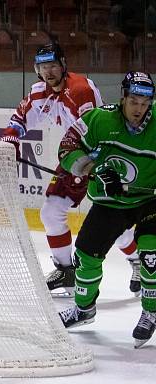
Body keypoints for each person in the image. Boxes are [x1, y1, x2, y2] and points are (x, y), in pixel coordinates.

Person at [0, 43, 138, 297]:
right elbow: (19, 119)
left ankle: (138, 262)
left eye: (52, 65)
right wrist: (11, 138)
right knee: (51, 212)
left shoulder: (80, 90)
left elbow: (97, 131)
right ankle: (66, 270)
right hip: (75, 156)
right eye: (42, 67)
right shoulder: (40, 92)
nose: (48, 72)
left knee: (113, 222)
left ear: (63, 65)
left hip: (105, 156)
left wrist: (89, 166)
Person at [58, 71, 156, 348]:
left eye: (144, 103)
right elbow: (67, 149)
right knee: (86, 256)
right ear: (123, 97)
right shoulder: (100, 120)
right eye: (134, 101)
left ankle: (151, 311)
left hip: (151, 200)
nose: (139, 109)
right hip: (109, 202)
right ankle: (84, 309)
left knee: (152, 254)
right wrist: (94, 169)